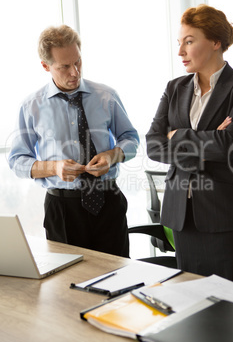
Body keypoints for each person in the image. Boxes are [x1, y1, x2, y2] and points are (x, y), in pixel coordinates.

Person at [146, 4, 233, 290]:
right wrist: (209, 138)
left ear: (215, 42)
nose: (181, 52)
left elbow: (229, 145)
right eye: (180, 43)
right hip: (184, 218)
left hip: (229, 216)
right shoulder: (174, 88)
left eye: (189, 42)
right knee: (194, 302)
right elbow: (153, 145)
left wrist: (177, 135)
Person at [8, 25, 139, 258]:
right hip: (63, 209)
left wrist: (112, 155)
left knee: (119, 279)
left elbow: (131, 139)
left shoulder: (106, 96)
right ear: (46, 66)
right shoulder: (31, 107)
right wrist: (54, 167)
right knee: (69, 285)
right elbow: (17, 161)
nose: (75, 72)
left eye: (78, 62)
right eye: (64, 67)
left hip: (108, 202)